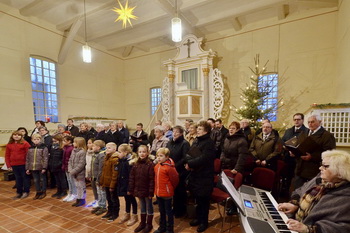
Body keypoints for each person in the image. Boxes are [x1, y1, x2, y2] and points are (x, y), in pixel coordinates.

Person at [278, 150, 350, 233]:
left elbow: (343, 228)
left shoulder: (346, 197)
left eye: (325, 166)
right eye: (321, 165)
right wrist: (294, 204)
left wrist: (308, 229)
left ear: (340, 172)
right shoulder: (319, 179)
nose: (320, 168)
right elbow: (299, 190)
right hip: (293, 223)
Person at [185, 121, 216, 232]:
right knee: (197, 198)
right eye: (197, 129)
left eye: (200, 129)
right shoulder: (197, 140)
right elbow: (189, 154)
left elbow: (204, 158)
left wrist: (190, 164)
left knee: (204, 200)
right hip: (195, 174)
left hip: (205, 176)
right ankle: (198, 218)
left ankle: (204, 222)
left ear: (206, 131)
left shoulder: (209, 143)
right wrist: (188, 163)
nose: (197, 130)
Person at [292, 114, 336, 189]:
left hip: (313, 170)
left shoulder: (327, 135)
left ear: (320, 122)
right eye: (308, 122)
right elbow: (298, 145)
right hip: (300, 168)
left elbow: (329, 154)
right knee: (296, 192)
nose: (310, 124)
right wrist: (294, 152)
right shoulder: (304, 132)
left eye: (312, 122)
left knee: (309, 194)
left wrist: (312, 157)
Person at [128, 145, 155, 233]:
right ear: (137, 153)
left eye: (144, 152)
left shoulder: (150, 164)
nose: (142, 154)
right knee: (142, 207)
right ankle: (142, 223)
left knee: (149, 207)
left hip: (147, 191)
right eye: (140, 152)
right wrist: (131, 189)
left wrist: (151, 192)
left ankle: (149, 224)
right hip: (138, 190)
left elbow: (152, 179)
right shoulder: (136, 164)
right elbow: (132, 178)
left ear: (147, 153)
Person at [166, 125, 190, 218]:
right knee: (173, 191)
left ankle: (181, 210)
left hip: (180, 171)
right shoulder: (170, 142)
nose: (174, 134)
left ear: (181, 134)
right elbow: (167, 154)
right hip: (171, 169)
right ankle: (175, 208)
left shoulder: (185, 143)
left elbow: (185, 158)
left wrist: (174, 165)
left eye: (177, 132)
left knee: (180, 191)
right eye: (174, 132)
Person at [154, 148, 179, 233]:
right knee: (161, 211)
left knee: (169, 212)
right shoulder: (157, 166)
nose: (159, 158)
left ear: (167, 157)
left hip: (167, 194)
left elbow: (175, 179)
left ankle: (170, 229)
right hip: (159, 193)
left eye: (161, 156)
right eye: (157, 156)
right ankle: (162, 227)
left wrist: (170, 188)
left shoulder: (169, 168)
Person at [282, 113, 308, 193]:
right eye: (295, 119)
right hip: (288, 158)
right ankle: (285, 192)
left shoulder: (307, 131)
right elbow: (283, 142)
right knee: (287, 177)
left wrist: (297, 153)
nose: (296, 121)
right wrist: (288, 150)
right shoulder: (288, 131)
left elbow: (307, 145)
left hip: (300, 160)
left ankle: (296, 195)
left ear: (302, 120)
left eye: (298, 119)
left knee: (298, 180)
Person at [116, 144, 139, 226]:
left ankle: (135, 215)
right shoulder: (122, 160)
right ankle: (127, 213)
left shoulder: (130, 163)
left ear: (125, 152)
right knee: (126, 199)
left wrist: (130, 187)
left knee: (132, 200)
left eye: (119, 152)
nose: (118, 154)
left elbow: (131, 176)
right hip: (123, 183)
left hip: (129, 185)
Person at [5, 131, 31, 199]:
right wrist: (8, 165)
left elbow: (29, 155)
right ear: (12, 136)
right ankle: (19, 192)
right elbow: (7, 155)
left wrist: (28, 165)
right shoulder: (9, 144)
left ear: (21, 136)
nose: (16, 136)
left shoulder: (25, 143)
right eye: (15, 135)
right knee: (17, 179)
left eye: (18, 135)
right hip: (14, 164)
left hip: (23, 164)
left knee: (25, 178)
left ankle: (26, 192)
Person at [99, 142, 120, 222]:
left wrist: (112, 185)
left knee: (114, 198)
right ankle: (109, 211)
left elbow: (115, 174)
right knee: (108, 198)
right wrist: (102, 181)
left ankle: (115, 213)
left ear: (114, 149)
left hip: (112, 183)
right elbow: (104, 171)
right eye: (106, 147)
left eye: (109, 148)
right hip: (106, 182)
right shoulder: (106, 157)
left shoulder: (115, 159)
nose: (107, 149)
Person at [26, 134, 49, 199]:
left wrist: (44, 167)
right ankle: (38, 191)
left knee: (42, 179)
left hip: (41, 166)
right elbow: (28, 158)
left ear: (40, 140)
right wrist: (27, 168)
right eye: (34, 139)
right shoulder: (30, 148)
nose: (36, 141)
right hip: (33, 167)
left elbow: (45, 158)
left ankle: (43, 191)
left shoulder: (44, 147)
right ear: (32, 140)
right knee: (36, 180)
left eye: (38, 139)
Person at [68, 137, 87, 207]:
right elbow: (70, 160)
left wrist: (73, 171)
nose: (73, 143)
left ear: (79, 144)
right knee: (77, 186)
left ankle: (82, 199)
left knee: (81, 186)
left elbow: (81, 164)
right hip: (74, 172)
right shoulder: (74, 150)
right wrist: (70, 169)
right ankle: (78, 198)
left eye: (75, 142)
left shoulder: (82, 152)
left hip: (80, 173)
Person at [91, 140, 108, 216]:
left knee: (102, 192)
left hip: (100, 177)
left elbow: (101, 168)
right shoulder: (97, 154)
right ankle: (100, 204)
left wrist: (98, 178)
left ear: (98, 147)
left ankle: (103, 206)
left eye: (94, 146)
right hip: (96, 176)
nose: (92, 147)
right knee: (99, 192)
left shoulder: (101, 155)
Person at [49, 134, 68, 199]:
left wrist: (59, 164)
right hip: (53, 165)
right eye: (53, 141)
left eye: (56, 141)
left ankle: (64, 191)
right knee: (57, 179)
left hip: (60, 166)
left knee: (62, 179)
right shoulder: (52, 147)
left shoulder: (62, 148)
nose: (54, 143)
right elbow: (51, 157)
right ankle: (59, 191)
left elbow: (63, 158)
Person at [62, 136, 76, 202]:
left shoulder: (71, 148)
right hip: (66, 166)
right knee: (69, 181)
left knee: (72, 181)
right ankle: (70, 193)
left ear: (69, 141)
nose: (63, 142)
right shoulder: (65, 148)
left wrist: (71, 167)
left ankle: (74, 193)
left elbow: (72, 159)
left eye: (64, 141)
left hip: (70, 167)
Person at [85, 138, 98, 207]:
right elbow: (87, 163)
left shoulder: (96, 153)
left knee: (97, 187)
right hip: (90, 171)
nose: (88, 144)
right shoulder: (87, 151)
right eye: (87, 143)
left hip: (95, 173)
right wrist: (88, 173)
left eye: (90, 143)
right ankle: (96, 199)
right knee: (93, 186)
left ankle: (99, 201)